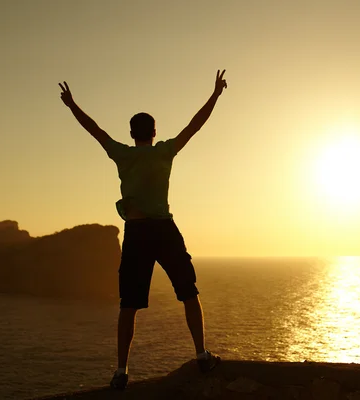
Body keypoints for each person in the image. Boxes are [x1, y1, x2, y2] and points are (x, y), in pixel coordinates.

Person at [58, 70, 228, 390]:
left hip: (136, 233)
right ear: (154, 131)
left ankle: (121, 372)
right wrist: (215, 94)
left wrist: (72, 105)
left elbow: (94, 129)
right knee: (188, 292)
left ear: (132, 133)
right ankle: (202, 355)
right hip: (165, 230)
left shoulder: (123, 154)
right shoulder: (165, 151)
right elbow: (195, 125)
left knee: (129, 304)